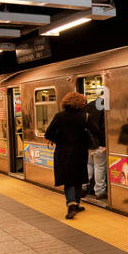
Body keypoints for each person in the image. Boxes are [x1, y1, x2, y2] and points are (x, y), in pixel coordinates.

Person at [45, 91, 93, 219]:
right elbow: (95, 131)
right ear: (81, 103)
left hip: (63, 152)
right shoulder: (85, 116)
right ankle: (76, 204)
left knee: (68, 179)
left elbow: (48, 134)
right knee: (78, 178)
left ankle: (72, 204)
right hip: (80, 152)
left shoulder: (59, 116)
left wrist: (59, 139)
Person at [84, 95, 107, 200]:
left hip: (87, 142)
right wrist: (104, 144)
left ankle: (83, 186)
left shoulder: (88, 105)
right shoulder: (105, 106)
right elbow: (103, 127)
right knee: (99, 166)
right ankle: (99, 191)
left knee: (88, 164)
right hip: (99, 143)